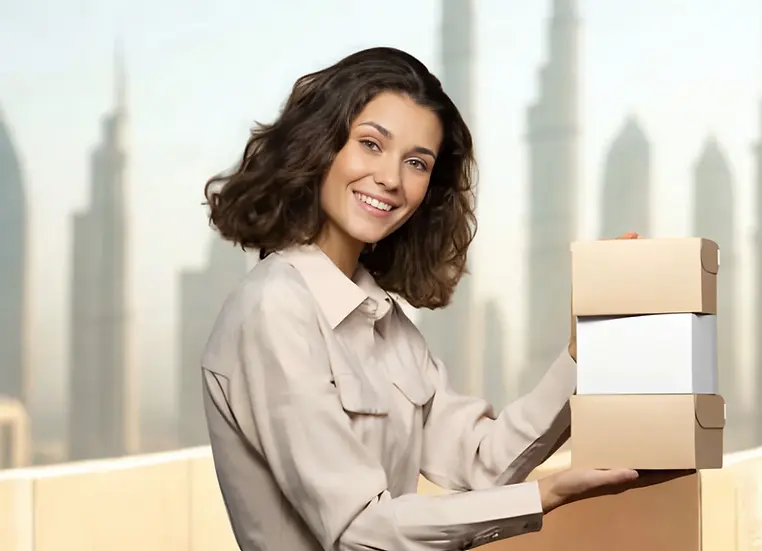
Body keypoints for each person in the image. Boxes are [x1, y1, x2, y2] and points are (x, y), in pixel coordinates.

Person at [200, 46, 639, 551]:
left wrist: (581, 351)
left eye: (416, 162)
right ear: (319, 146)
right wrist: (543, 496)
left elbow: (482, 461)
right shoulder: (273, 308)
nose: (390, 178)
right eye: (370, 144)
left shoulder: (385, 322)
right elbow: (358, 529)